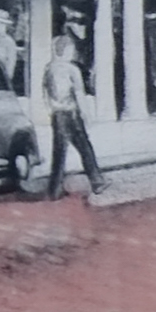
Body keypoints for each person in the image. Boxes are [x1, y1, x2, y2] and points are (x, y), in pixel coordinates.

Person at [37, 25, 101, 197]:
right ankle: (96, 181)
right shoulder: (72, 70)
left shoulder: (49, 69)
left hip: (58, 114)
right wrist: (86, 113)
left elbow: (44, 94)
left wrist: (50, 110)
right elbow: (79, 93)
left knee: (59, 151)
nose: (72, 53)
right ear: (66, 51)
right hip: (72, 113)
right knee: (84, 145)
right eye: (71, 49)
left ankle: (54, 189)